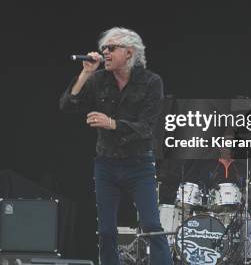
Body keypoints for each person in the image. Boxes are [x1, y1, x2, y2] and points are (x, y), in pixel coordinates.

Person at [60, 27, 172, 265]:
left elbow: (146, 128)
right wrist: (85, 74)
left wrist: (111, 123)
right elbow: (68, 105)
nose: (105, 53)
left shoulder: (152, 82)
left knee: (152, 224)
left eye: (111, 48)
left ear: (129, 52)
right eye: (103, 48)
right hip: (106, 164)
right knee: (107, 230)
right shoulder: (99, 79)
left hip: (139, 163)